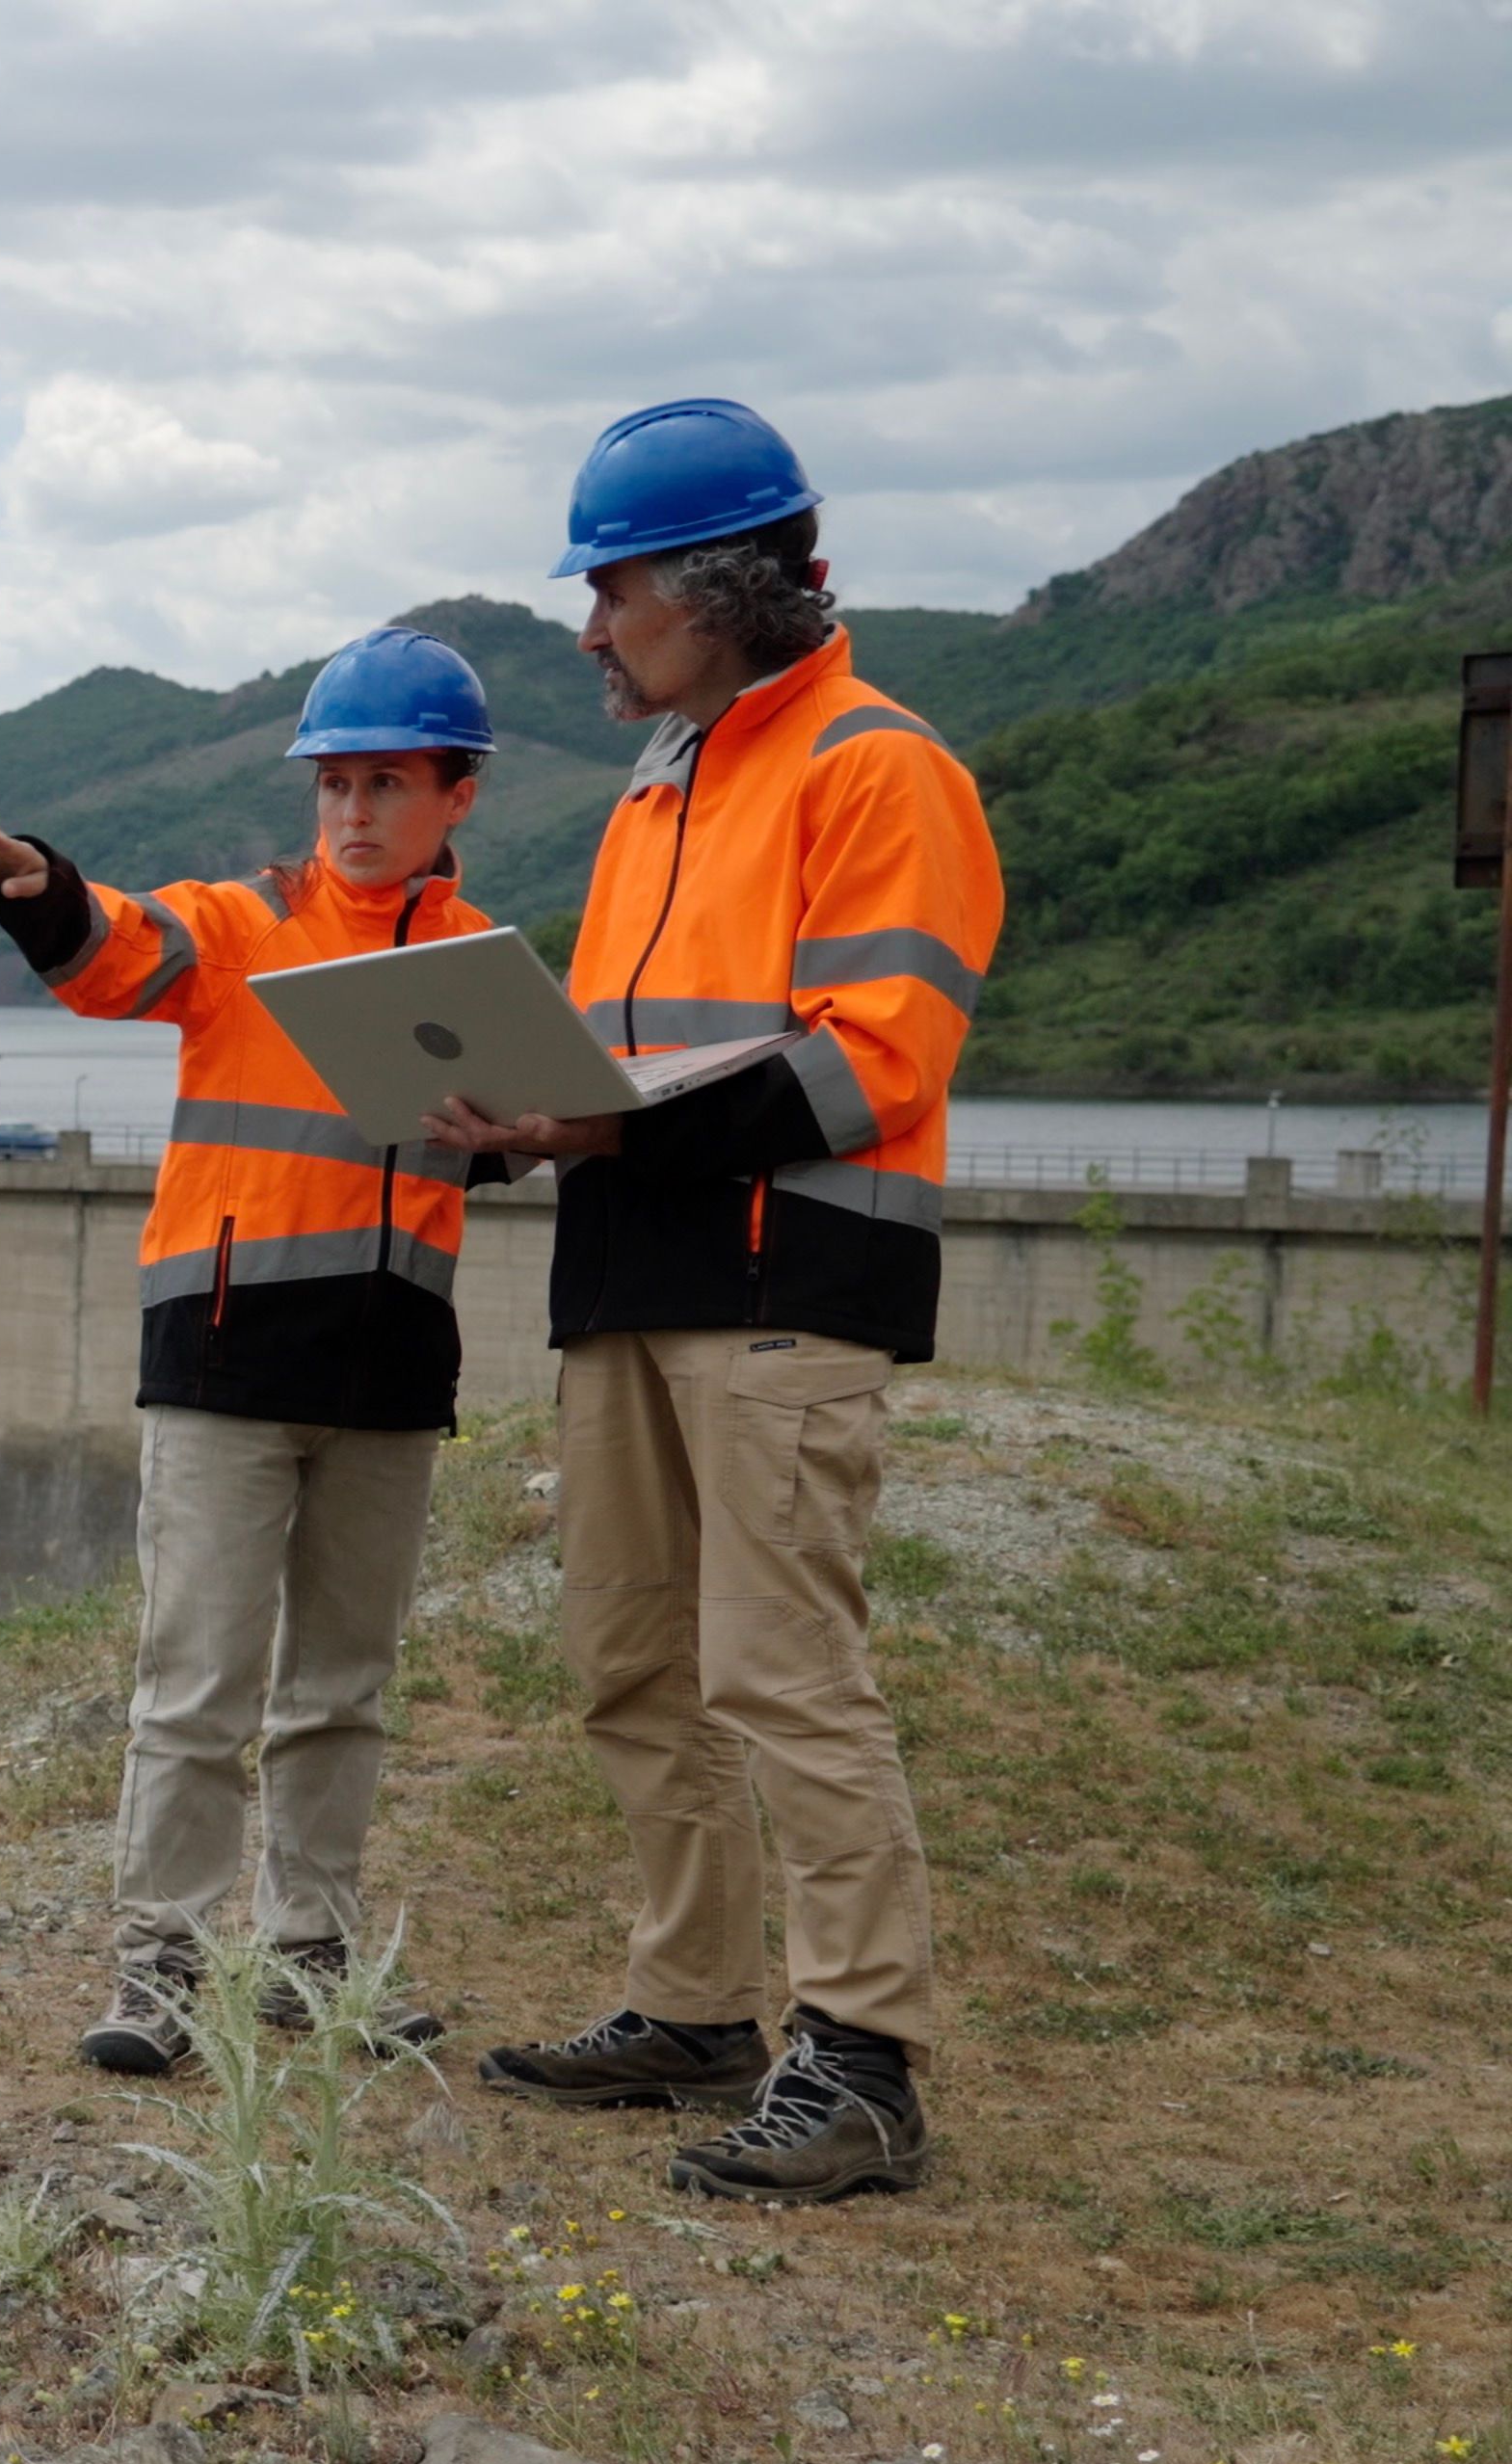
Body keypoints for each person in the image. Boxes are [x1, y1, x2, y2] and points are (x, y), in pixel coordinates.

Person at [425, 397, 998, 2206]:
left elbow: (876, 1064)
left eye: (614, 594)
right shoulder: (663, 786)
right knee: (631, 1663)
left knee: (781, 1672)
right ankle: (697, 2013)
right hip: (637, 1272)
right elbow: (628, 1062)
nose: (591, 633)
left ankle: (865, 2064)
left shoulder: (875, 766)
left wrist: (592, 1116)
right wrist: (516, 1127)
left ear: (721, 585)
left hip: (785, 1280)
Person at [0, 627, 507, 2077]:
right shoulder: (246, 924)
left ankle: (309, 1967)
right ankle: (161, 1973)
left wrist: (513, 1131)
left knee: (343, 1689)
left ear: (459, 797)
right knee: (197, 1684)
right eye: (335, 784)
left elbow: (509, 1141)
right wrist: (44, 891)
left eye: (387, 783)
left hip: (391, 1366)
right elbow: (119, 953)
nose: (354, 813)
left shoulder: (480, 965)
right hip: (225, 1352)